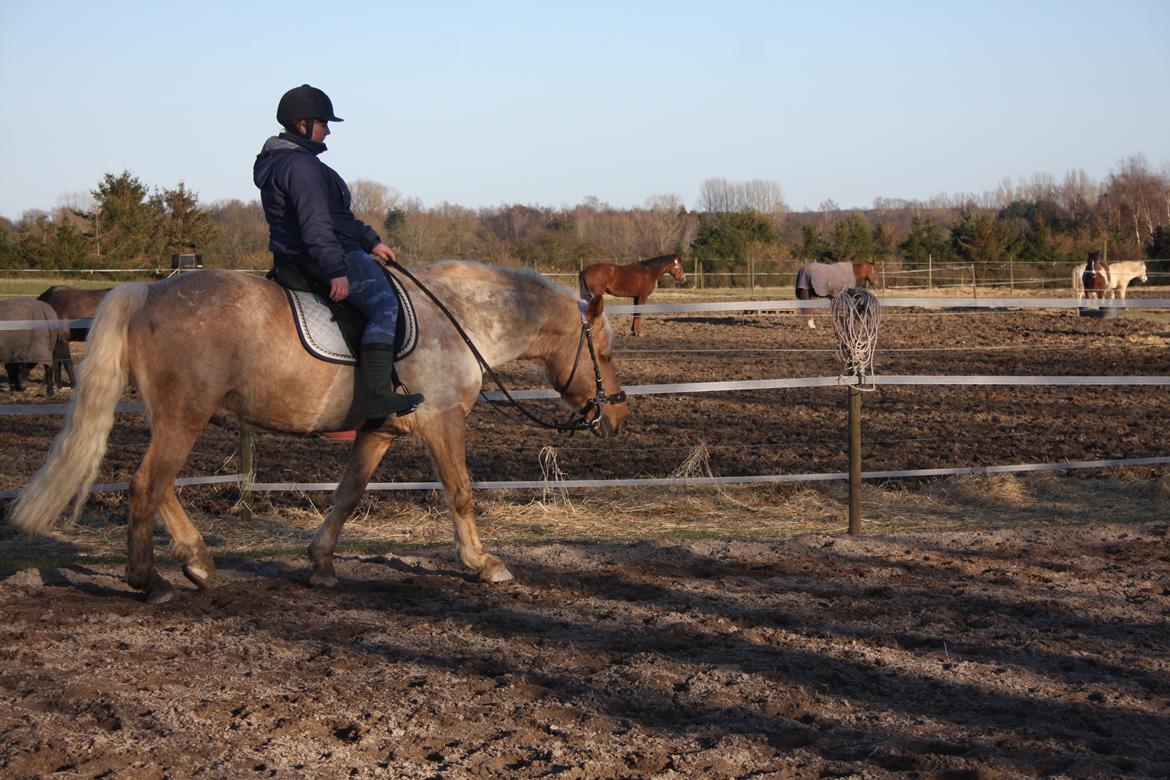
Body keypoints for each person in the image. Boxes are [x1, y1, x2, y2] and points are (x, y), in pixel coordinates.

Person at [254, 84, 423, 428]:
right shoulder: (302, 167)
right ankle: (378, 393)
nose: (328, 129)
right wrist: (335, 270)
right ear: (303, 124)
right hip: (318, 255)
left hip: (300, 254)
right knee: (384, 302)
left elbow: (337, 216)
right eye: (323, 122)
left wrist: (370, 241)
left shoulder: (286, 161)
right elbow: (317, 225)